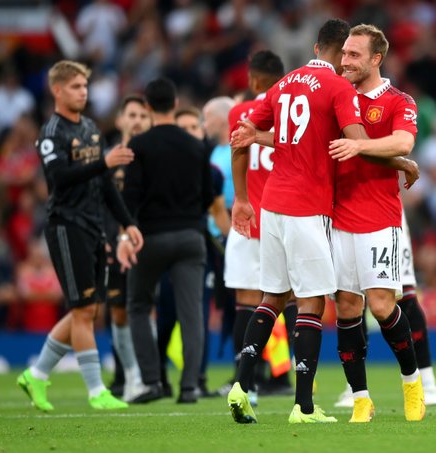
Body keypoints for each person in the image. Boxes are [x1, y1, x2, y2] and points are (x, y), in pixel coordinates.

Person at [226, 19, 367, 424]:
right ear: (341, 53)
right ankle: (303, 407)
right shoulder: (340, 88)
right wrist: (395, 156)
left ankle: (241, 384)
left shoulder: (283, 84)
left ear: (315, 45)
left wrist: (241, 197)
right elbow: (355, 141)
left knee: (272, 297)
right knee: (311, 303)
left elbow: (247, 131)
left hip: (271, 203)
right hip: (308, 205)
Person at [16, 60, 143, 412]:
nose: (83, 92)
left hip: (92, 225)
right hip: (66, 225)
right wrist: (104, 162)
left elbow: (104, 184)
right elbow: (58, 178)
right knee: (84, 310)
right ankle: (96, 391)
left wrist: (127, 222)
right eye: (75, 86)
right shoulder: (51, 132)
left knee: (84, 309)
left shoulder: (89, 127)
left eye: (85, 86)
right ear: (57, 90)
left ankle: (37, 375)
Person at [327, 24, 426, 422]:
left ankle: (412, 382)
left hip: (378, 217)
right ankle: (361, 399)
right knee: (347, 307)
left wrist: (361, 145)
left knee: (384, 305)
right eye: (344, 53)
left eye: (353, 55)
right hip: (335, 217)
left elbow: (403, 142)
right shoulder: (335, 95)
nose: (345, 60)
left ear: (375, 59)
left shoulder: (398, 101)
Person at [118, 77, 214, 404]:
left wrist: (127, 232)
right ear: (175, 105)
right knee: (192, 314)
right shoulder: (195, 145)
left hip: (150, 237)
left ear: (147, 107)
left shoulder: (139, 146)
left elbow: (129, 196)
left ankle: (152, 381)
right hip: (190, 236)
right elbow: (206, 194)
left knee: (139, 305)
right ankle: (189, 386)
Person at [223, 50, 291, 403]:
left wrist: (240, 199)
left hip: (251, 216)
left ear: (253, 80)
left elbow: (238, 152)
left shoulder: (240, 112)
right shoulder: (293, 109)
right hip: (287, 215)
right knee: (290, 298)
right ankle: (283, 372)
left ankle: (246, 377)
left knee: (248, 300)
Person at [334, 210, 436, 407]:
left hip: (383, 213)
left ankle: (428, 384)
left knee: (405, 297)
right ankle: (354, 388)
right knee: (351, 302)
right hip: (344, 215)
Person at [105, 94, 151, 402]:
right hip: (113, 247)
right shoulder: (107, 161)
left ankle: (148, 375)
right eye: (131, 115)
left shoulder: (152, 158)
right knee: (119, 313)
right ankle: (131, 376)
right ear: (120, 120)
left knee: (146, 312)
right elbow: (99, 206)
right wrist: (108, 241)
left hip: (148, 247)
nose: (136, 121)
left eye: (142, 116)